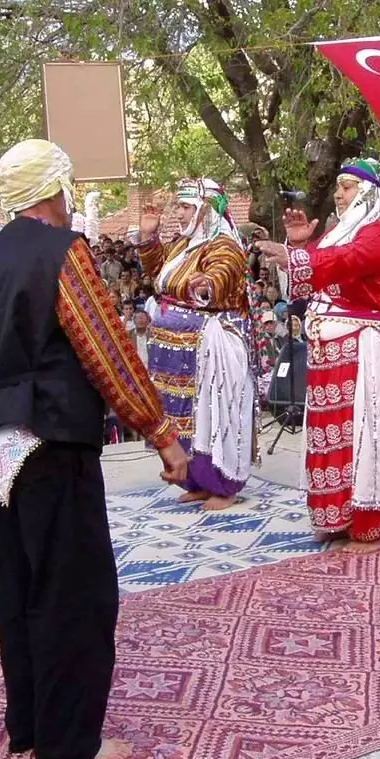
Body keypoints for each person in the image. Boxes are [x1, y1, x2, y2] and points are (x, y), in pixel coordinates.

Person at [0, 138, 186, 759]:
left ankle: (29, 724)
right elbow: (105, 347)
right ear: (55, 190)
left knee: (20, 583)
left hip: (0, 439)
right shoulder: (64, 252)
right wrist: (161, 432)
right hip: (51, 436)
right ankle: (68, 739)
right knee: (72, 589)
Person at [258, 158, 380, 552]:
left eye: (347, 186)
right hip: (331, 352)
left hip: (367, 349)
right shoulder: (339, 234)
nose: (338, 194)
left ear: (368, 192)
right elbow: (312, 279)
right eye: (338, 186)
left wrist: (300, 256)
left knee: (366, 435)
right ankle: (339, 517)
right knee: (332, 436)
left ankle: (376, 523)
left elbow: (346, 263)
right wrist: (299, 245)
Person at [134, 179, 254, 512]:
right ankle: (197, 481)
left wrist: (209, 283)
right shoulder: (184, 245)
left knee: (209, 418)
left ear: (206, 210)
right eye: (181, 207)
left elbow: (226, 271)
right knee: (181, 417)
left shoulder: (223, 245)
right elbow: (159, 273)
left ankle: (223, 484)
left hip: (206, 348)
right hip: (174, 349)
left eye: (187, 207)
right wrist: (148, 236)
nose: (181, 213)